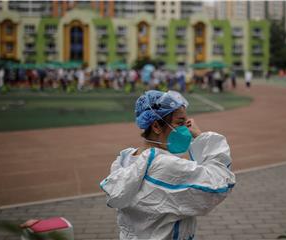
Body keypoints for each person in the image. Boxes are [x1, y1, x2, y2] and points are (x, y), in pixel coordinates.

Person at [100, 90, 236, 240]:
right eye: (180, 123)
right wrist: (203, 139)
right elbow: (220, 184)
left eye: (186, 123)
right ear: (157, 126)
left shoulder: (126, 159)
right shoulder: (164, 165)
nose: (186, 129)